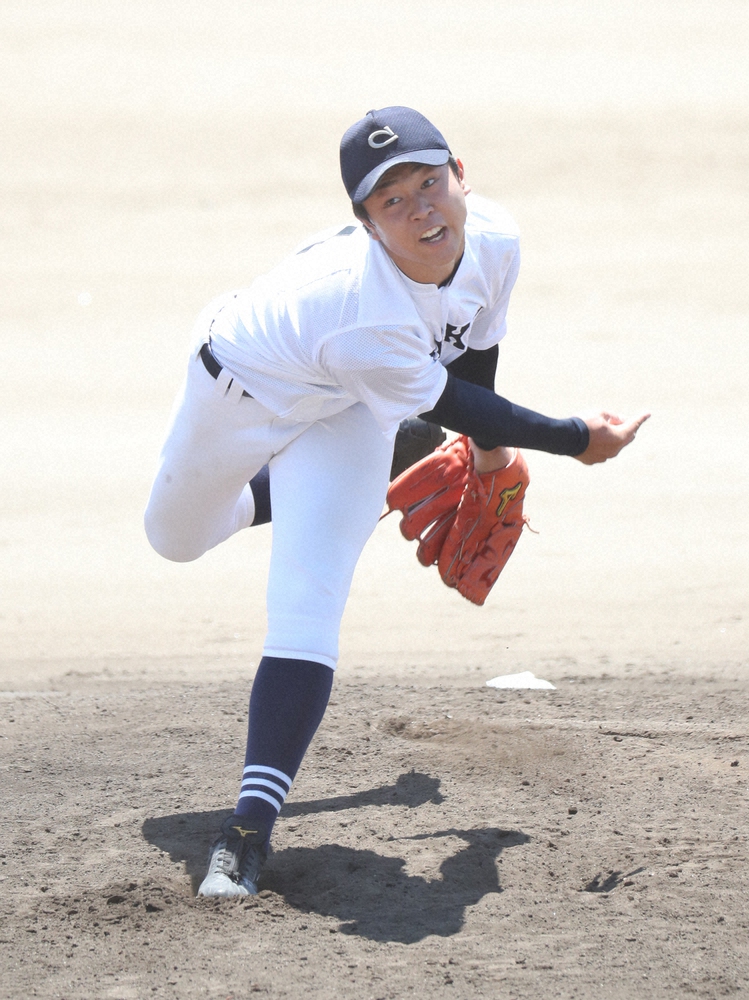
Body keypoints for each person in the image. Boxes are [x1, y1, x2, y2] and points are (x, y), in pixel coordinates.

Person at [144, 106, 649, 898]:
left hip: (348, 411)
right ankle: (349, 459)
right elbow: (465, 402)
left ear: (460, 176)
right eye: (392, 200)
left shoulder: (496, 240)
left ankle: (246, 829)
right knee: (174, 539)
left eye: (428, 181)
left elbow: (475, 345)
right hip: (237, 395)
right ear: (369, 225)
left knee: (309, 602)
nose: (420, 208)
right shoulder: (363, 308)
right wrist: (574, 436)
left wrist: (488, 461)